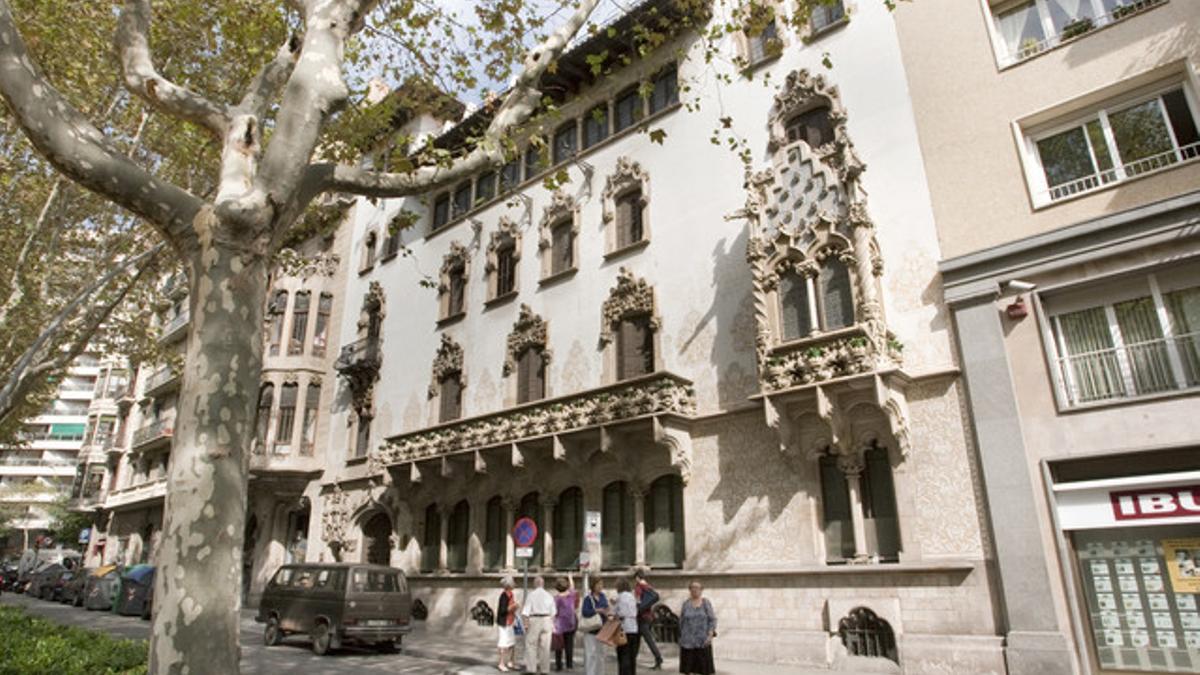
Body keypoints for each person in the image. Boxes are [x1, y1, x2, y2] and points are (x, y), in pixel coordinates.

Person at [677, 581, 717, 675]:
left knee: (704, 669)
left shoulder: (706, 603)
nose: (694, 590)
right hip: (687, 642)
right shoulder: (686, 604)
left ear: (701, 590)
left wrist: (710, 635)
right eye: (692, 588)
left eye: (697, 588)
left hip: (703, 641)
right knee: (688, 670)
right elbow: (681, 621)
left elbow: (712, 619)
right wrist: (680, 637)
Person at [522, 574, 558, 675]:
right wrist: (552, 623)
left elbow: (526, 611)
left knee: (531, 645)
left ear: (535, 584)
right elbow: (554, 612)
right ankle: (545, 670)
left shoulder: (531, 595)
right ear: (543, 584)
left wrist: (526, 624)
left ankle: (531, 668)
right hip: (547, 619)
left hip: (535, 619)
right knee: (545, 646)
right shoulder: (549, 595)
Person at [633, 569, 663, 670]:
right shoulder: (647, 586)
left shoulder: (639, 587)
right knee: (636, 639)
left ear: (637, 577)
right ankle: (632, 659)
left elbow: (637, 601)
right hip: (646, 616)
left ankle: (658, 658)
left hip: (641, 617)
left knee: (647, 639)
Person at [580, 576, 611, 675]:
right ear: (593, 586)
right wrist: (597, 610)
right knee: (591, 654)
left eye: (601, 584)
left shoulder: (603, 596)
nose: (600, 586)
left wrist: (607, 612)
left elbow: (606, 608)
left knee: (601, 654)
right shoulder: (588, 598)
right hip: (591, 630)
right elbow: (585, 612)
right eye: (598, 584)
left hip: (602, 629)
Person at [553, 573, 580, 671]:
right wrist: (570, 577)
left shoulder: (557, 598)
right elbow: (572, 587)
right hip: (571, 623)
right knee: (569, 644)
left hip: (560, 624)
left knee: (558, 646)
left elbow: (554, 611)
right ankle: (569, 665)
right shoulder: (571, 595)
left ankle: (559, 665)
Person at [614, 578, 641, 675]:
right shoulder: (631, 596)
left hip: (623, 629)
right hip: (633, 628)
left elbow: (619, 612)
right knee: (632, 655)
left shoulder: (620, 597)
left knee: (623, 654)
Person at [497, 577, 521, 672]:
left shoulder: (511, 594)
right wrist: (513, 606)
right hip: (504, 622)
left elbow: (511, 608)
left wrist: (515, 607)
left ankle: (511, 662)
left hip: (510, 621)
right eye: (513, 583)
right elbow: (503, 610)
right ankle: (501, 663)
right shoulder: (504, 596)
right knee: (503, 643)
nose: (515, 584)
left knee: (512, 642)